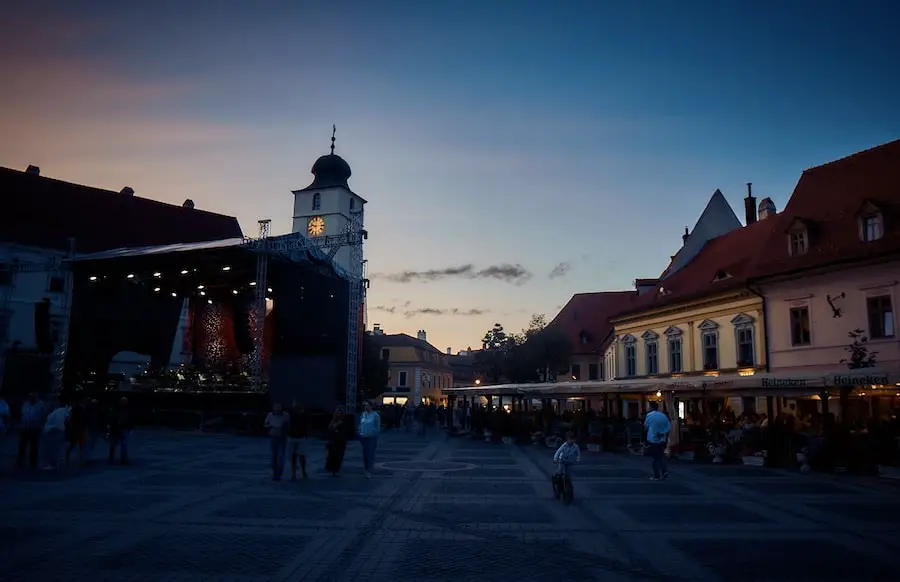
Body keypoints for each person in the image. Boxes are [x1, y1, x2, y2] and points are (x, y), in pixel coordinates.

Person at [644, 401, 672, 480]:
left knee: (655, 458)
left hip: (653, 439)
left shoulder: (649, 415)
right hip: (662, 439)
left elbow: (646, 426)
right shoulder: (663, 416)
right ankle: (664, 472)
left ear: (651, 407)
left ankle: (657, 475)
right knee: (661, 456)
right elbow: (669, 427)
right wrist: (663, 433)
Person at [17, 392, 45, 470]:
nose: (32, 397)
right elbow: (22, 414)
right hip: (25, 427)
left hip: (35, 428)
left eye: (34, 396)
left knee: (34, 446)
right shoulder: (25, 404)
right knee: (22, 445)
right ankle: (20, 461)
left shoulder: (40, 405)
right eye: (31, 396)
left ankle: (33, 462)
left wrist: (41, 426)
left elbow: (44, 415)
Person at [264, 403, 290, 481]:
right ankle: (275, 473)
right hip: (273, 437)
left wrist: (284, 429)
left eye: (279, 409)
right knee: (273, 456)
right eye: (276, 409)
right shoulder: (270, 415)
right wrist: (269, 426)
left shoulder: (285, 415)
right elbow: (265, 423)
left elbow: (288, 425)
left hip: (282, 437)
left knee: (281, 455)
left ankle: (279, 473)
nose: (277, 410)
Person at [358, 401, 381, 479]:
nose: (366, 407)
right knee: (365, 454)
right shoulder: (363, 414)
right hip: (363, 437)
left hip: (371, 437)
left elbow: (378, 427)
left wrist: (374, 434)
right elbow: (360, 424)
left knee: (370, 454)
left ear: (371, 406)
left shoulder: (375, 415)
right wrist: (360, 432)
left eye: (367, 405)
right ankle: (366, 469)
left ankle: (369, 470)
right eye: (365, 405)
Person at [288, 400, 309, 481]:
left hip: (301, 437)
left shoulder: (304, 414)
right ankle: (294, 474)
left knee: (301, 455)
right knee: (293, 456)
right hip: (292, 436)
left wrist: (306, 434)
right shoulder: (290, 413)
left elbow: (307, 425)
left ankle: (303, 471)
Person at [324, 407, 347, 476]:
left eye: (339, 413)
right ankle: (332, 470)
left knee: (338, 456)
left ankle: (335, 469)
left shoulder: (343, 422)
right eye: (337, 413)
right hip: (333, 441)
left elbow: (344, 432)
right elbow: (329, 430)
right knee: (332, 456)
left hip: (340, 442)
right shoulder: (333, 421)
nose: (338, 414)